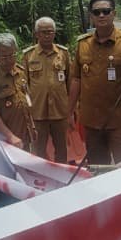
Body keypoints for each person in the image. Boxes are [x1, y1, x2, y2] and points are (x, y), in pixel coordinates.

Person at [68, 0, 121, 165]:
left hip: (120, 121)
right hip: (91, 121)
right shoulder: (83, 45)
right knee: (98, 168)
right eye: (96, 12)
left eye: (106, 11)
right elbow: (76, 80)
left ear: (114, 13)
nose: (101, 15)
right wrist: (69, 112)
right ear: (91, 16)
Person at [22, 17, 70, 162]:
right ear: (37, 34)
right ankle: (40, 175)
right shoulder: (29, 55)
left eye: (50, 31)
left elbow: (70, 81)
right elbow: (24, 86)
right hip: (38, 112)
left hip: (59, 111)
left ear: (54, 33)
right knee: (39, 151)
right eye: (43, 32)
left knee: (62, 149)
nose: (47, 35)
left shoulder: (63, 53)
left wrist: (72, 109)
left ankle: (62, 173)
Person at [0, 33, 35, 150]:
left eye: (12, 55)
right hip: (6, 138)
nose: (9, 60)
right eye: (4, 57)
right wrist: (10, 136)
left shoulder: (20, 72)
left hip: (25, 132)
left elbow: (27, 97)